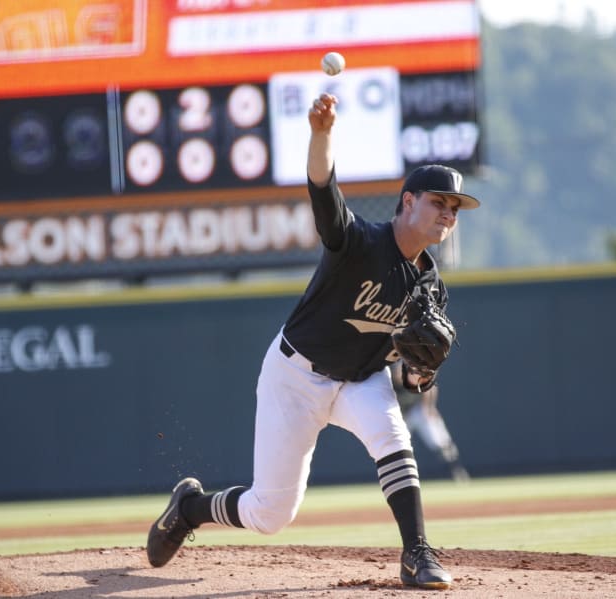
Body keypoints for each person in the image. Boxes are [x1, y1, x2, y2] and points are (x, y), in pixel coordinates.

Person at [146, 92, 480, 591]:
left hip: (362, 380)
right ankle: (191, 508)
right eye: (439, 202)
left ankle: (417, 554)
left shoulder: (431, 286)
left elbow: (412, 377)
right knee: (271, 513)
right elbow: (323, 187)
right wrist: (321, 134)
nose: (448, 214)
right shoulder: (357, 241)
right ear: (408, 201)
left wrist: (424, 371)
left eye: (454, 207)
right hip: (296, 376)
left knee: (394, 439)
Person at [390, 362, 471, 482]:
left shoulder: (413, 376)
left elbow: (430, 387)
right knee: (396, 445)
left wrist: (429, 407)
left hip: (418, 410)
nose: (398, 374)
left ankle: (457, 470)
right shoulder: (389, 385)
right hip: (402, 415)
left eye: (400, 371)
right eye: (396, 371)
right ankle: (397, 477)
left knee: (439, 439)